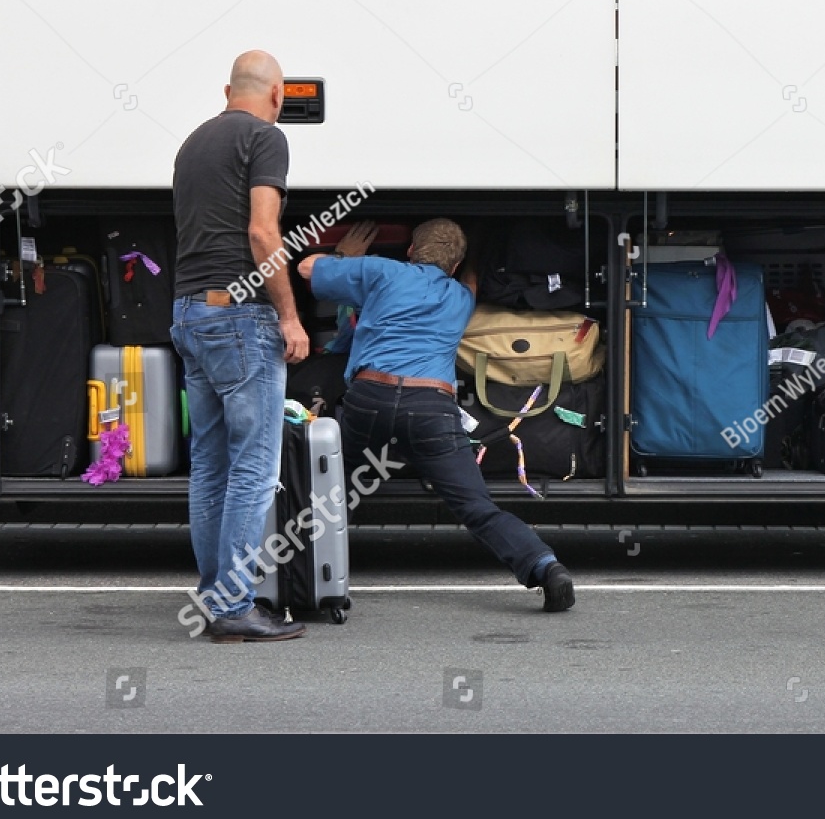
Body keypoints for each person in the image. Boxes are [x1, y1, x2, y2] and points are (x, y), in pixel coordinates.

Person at [298, 219, 576, 612]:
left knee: (333, 491)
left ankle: (299, 574)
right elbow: (473, 283)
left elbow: (306, 268)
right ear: (456, 265)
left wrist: (346, 258)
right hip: (431, 407)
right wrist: (473, 254)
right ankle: (544, 567)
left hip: (370, 396)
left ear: (410, 250)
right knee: (477, 507)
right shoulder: (460, 297)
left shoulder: (382, 270)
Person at [170, 50, 311, 643]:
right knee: (253, 467)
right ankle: (233, 606)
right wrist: (289, 315)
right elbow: (261, 232)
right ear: (277, 94)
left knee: (211, 465)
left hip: (188, 312)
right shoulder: (264, 138)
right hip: (240, 316)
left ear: (229, 89)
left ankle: (215, 596)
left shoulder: (193, 143)